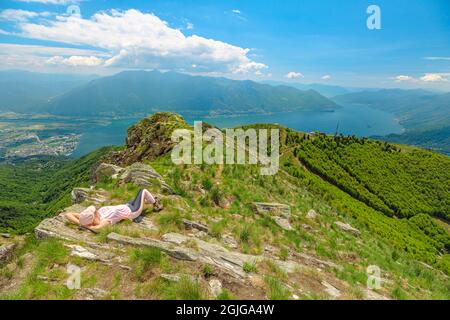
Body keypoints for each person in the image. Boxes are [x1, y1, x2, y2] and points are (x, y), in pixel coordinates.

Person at [65, 188, 162, 231]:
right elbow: (98, 228)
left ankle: (149, 201)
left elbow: (68, 214)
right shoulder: (105, 220)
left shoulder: (87, 217)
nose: (95, 211)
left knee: (140, 198)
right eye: (94, 212)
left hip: (126, 206)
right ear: (93, 219)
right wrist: (88, 227)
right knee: (143, 190)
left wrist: (81, 223)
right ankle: (155, 204)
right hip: (133, 211)